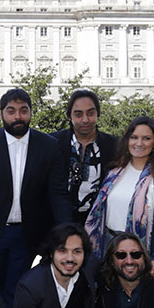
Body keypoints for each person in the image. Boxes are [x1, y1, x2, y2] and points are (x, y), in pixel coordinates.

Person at [0, 87, 72, 308]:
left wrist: (65, 236)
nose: (18, 116)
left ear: (31, 112)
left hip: (28, 236)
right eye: (11, 111)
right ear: (1, 113)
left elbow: (58, 194)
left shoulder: (48, 146)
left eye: (23, 110)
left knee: (20, 294)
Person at [85, 115, 154, 275]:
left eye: (146, 138)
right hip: (107, 246)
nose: (139, 143)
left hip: (140, 252)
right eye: (134, 137)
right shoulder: (114, 171)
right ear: (127, 140)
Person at [52, 90, 118, 225]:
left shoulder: (114, 146)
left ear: (98, 114)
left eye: (90, 113)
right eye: (78, 114)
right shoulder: (53, 143)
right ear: (69, 116)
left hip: (99, 224)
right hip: (58, 224)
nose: (85, 120)